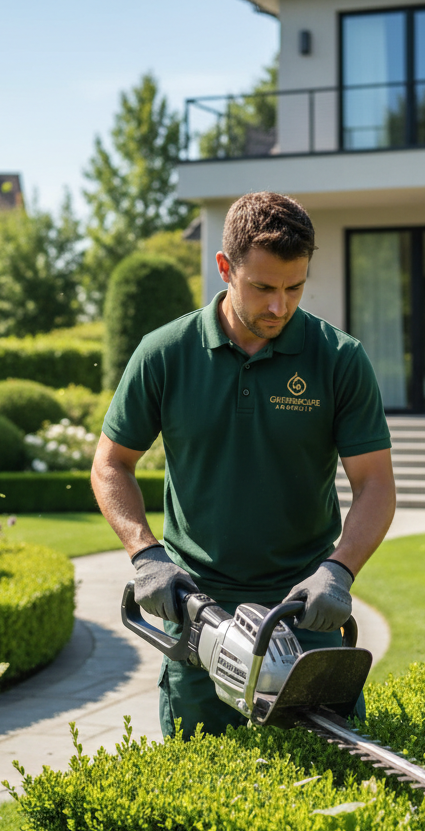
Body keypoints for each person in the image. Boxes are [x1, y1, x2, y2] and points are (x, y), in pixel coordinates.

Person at [91, 191, 395, 738]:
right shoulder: (165, 353)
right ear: (225, 268)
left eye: (294, 288)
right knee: (198, 791)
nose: (279, 307)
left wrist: (339, 570)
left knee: (330, 779)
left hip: (305, 612)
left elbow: (375, 484)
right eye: (263, 288)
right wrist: (146, 557)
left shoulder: (339, 359)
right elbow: (111, 464)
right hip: (198, 614)